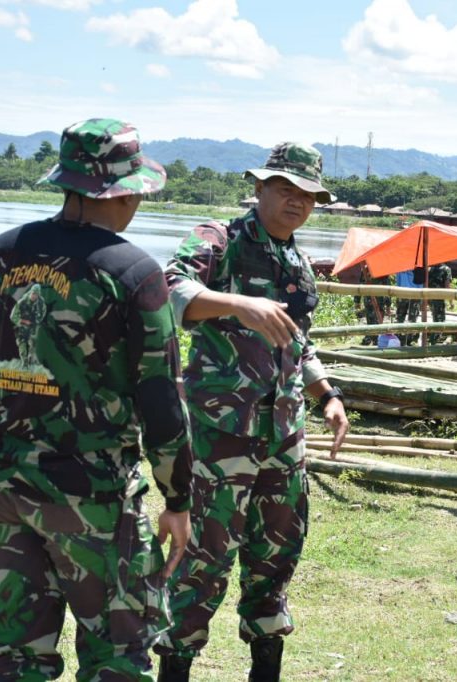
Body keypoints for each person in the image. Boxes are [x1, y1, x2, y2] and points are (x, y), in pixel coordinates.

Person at [0, 118, 193, 681]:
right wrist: (178, 497)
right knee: (116, 655)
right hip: (91, 496)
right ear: (127, 189)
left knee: (14, 652)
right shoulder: (133, 273)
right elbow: (161, 400)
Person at [156, 142, 350, 681]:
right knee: (201, 562)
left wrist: (328, 395)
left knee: (275, 561)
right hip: (221, 439)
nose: (297, 202)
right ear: (260, 187)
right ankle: (176, 666)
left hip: (283, 439)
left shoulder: (298, 261)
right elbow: (168, 290)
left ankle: (265, 668)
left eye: (308, 194)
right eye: (285, 188)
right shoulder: (219, 238)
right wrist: (236, 302)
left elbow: (299, 342)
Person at [354, 264, 390, 346]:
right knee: (375, 320)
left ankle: (371, 339)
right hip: (375, 299)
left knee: (372, 320)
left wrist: (357, 301)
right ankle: (373, 339)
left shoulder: (366, 269)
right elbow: (387, 287)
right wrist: (388, 305)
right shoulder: (382, 269)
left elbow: (360, 285)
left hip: (373, 299)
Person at [394, 268, 422, 345]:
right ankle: (409, 340)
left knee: (400, 317)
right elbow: (422, 281)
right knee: (411, 318)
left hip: (403, 293)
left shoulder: (401, 264)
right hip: (415, 293)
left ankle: (398, 338)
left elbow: (398, 280)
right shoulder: (419, 264)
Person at [427, 261, 453, 345]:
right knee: (440, 320)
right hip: (439, 298)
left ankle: (434, 339)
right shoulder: (446, 269)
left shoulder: (430, 269)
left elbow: (427, 284)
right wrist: (451, 301)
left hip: (431, 297)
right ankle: (434, 341)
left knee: (435, 318)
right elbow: (447, 286)